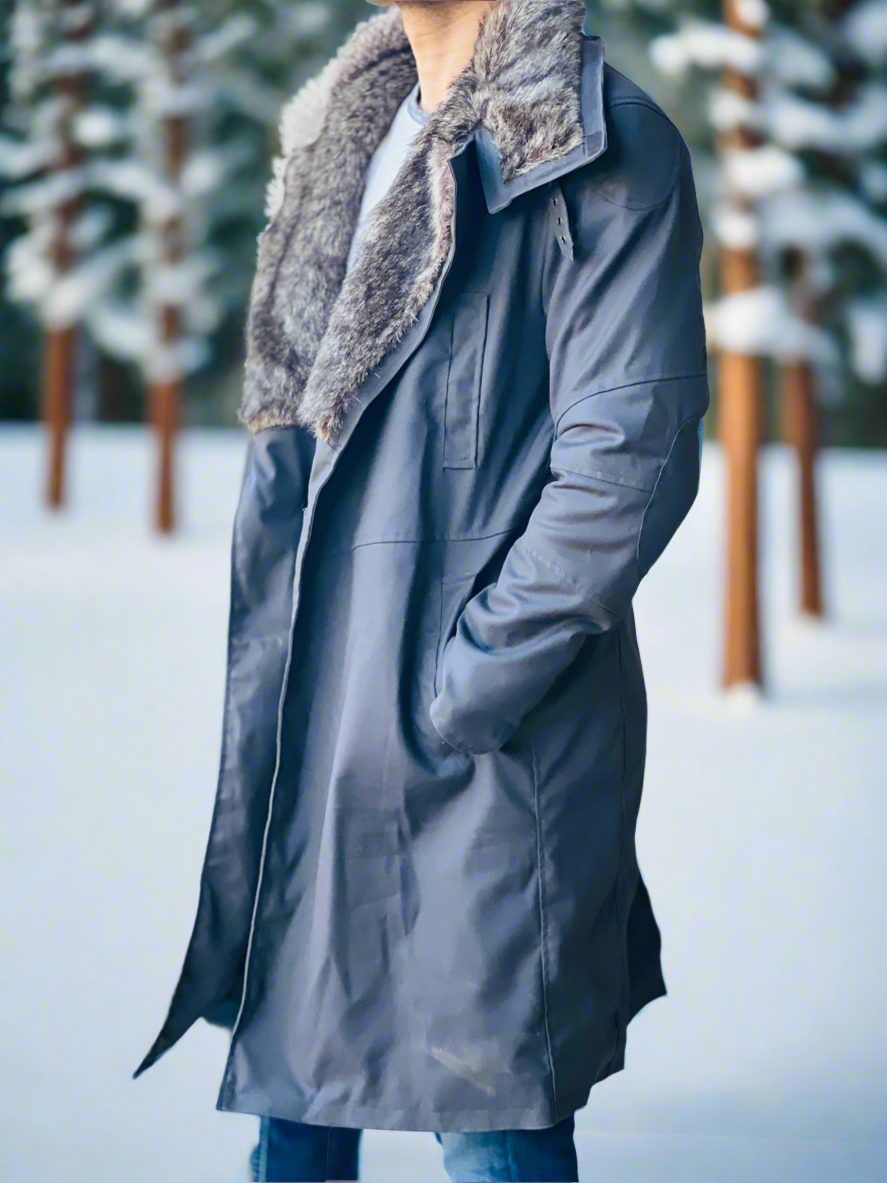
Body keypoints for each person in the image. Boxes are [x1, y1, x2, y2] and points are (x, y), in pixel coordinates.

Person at [133, 1, 710, 1179]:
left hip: (482, 740)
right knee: (296, 1109)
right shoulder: (357, 132)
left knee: (490, 1109)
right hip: (322, 723)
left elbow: (626, 460)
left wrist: (467, 687)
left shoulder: (598, 140)